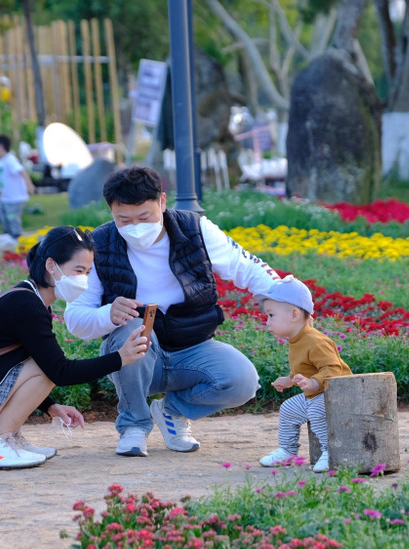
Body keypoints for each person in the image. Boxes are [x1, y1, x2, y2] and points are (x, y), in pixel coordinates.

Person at [64, 166, 281, 457]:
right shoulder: (98, 245)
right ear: (110, 210)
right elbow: (75, 319)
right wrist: (107, 314)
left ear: (162, 202)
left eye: (145, 217)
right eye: (124, 220)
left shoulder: (196, 230)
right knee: (134, 329)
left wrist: (284, 295)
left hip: (191, 348)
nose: (136, 228)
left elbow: (247, 267)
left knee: (242, 380)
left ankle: (171, 412)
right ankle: (134, 426)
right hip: (135, 359)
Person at [0, 226, 149, 469]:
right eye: (78, 270)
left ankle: (9, 438)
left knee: (44, 364)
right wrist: (119, 358)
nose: (83, 280)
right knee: (49, 367)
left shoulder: (30, 299)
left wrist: (50, 406)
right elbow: (60, 372)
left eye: (87, 272)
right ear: (51, 266)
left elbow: (22, 366)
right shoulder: (26, 304)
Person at [255, 276, 352, 473]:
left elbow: (333, 369)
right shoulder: (297, 340)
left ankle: (330, 451)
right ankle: (288, 450)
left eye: (271, 315)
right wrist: (289, 380)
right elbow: (304, 371)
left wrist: (314, 383)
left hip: (337, 394)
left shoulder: (316, 341)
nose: (267, 322)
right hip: (316, 394)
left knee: (316, 411)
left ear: (294, 314)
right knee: (288, 409)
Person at [0, 134, 34, 244]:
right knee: (0, 210)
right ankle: (8, 234)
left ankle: (16, 235)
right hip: (6, 197)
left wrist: (29, 185)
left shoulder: (10, 160)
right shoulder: (3, 161)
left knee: (12, 216)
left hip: (15, 198)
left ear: (0, 146)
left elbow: (22, 172)